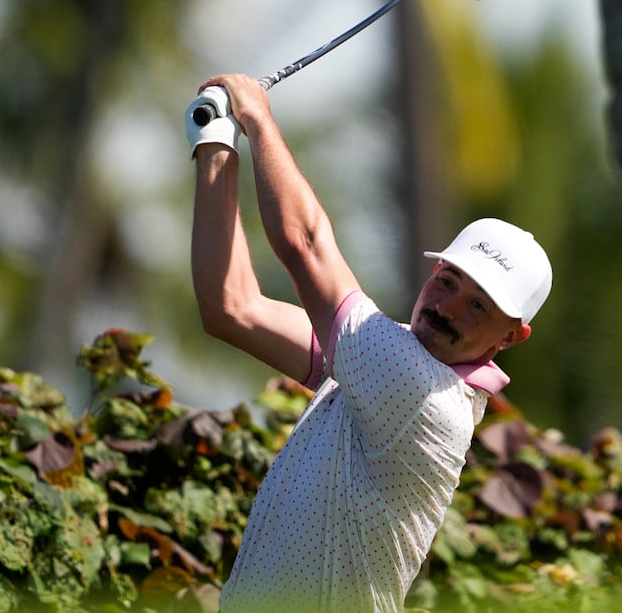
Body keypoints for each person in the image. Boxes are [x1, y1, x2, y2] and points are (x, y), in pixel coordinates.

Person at [185, 74, 552, 613]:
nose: (447, 307)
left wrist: (258, 118)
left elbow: (306, 245)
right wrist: (216, 141)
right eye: (448, 281)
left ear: (511, 337)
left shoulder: (419, 390)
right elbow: (232, 308)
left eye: (478, 305)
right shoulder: (376, 360)